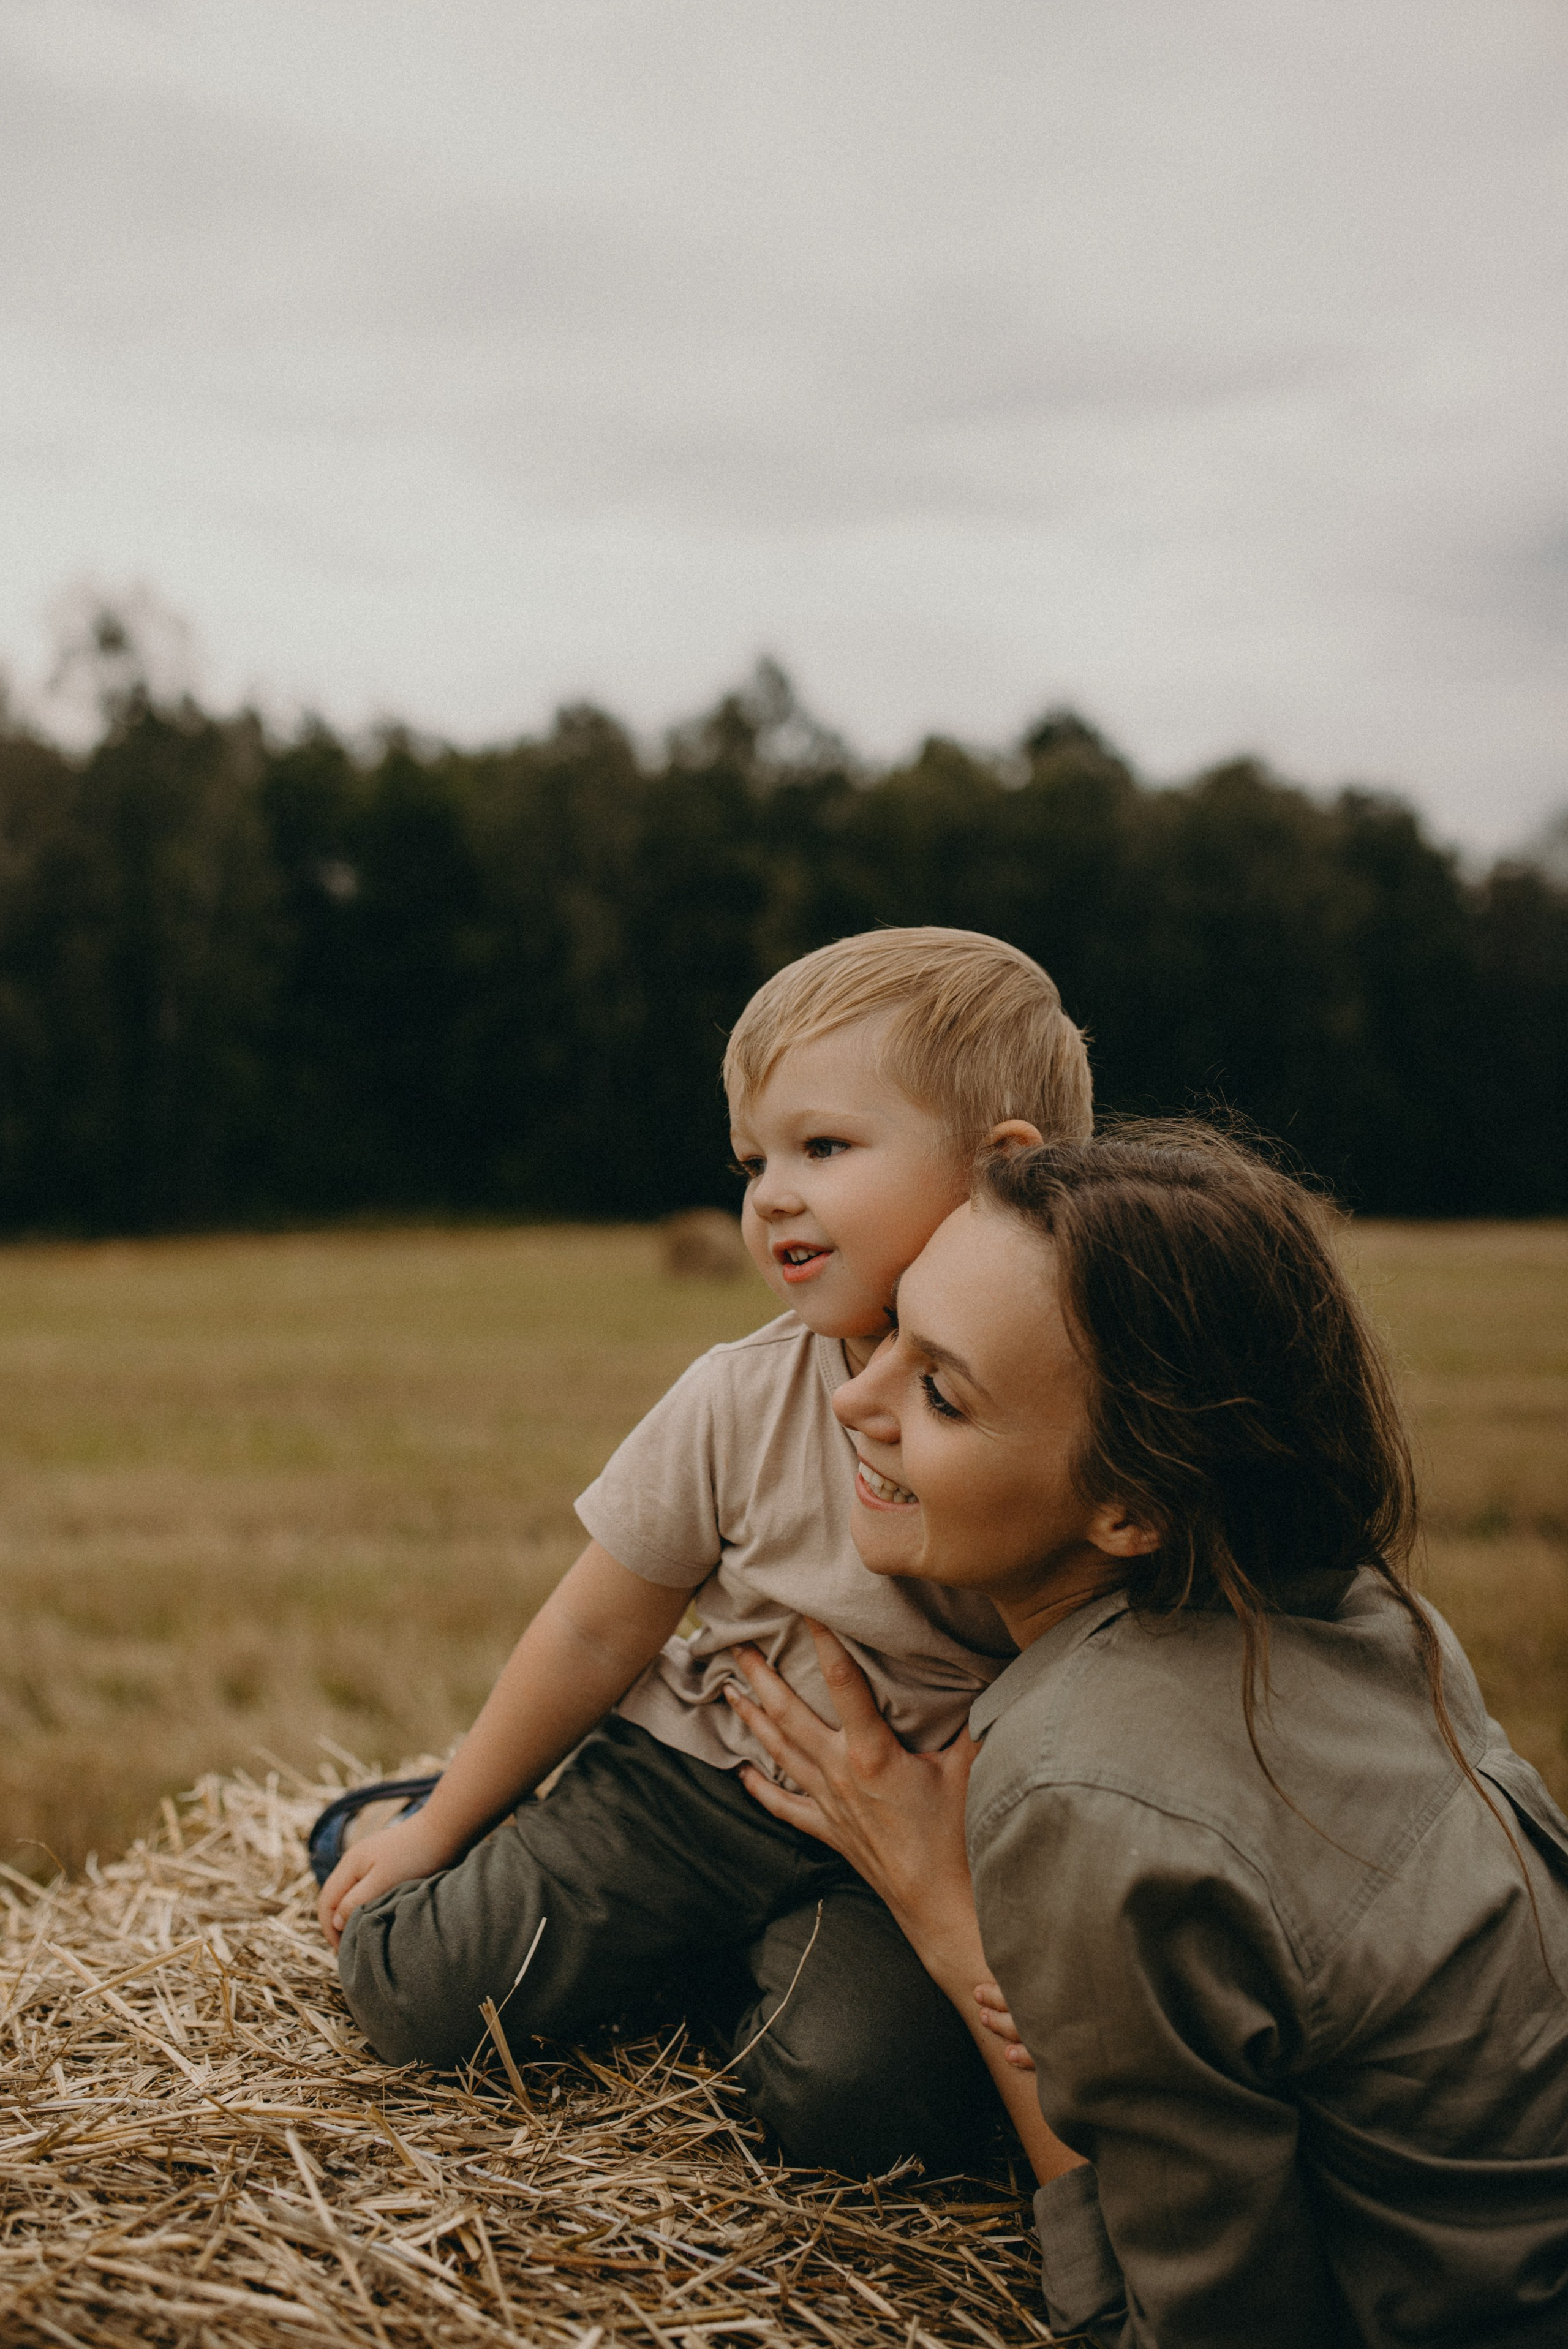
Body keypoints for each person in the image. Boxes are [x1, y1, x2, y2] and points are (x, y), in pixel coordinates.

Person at [725, 1124, 1568, 2347]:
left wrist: (942, 1912)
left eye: (940, 1390)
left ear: (1132, 1506)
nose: (852, 1395)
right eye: (891, 1329)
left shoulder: (1085, 1786)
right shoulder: (1373, 1619)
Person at [314, 927, 1093, 2174]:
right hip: (685, 1784)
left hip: (894, 1846)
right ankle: (369, 1817)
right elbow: (594, 1627)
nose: (768, 1193)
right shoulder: (736, 1397)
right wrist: (445, 1820)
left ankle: (718, 1976)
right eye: (751, 1160)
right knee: (423, 1994)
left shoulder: (1068, 1426)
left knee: (862, 2113)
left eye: (822, 1147)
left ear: (1007, 1170)